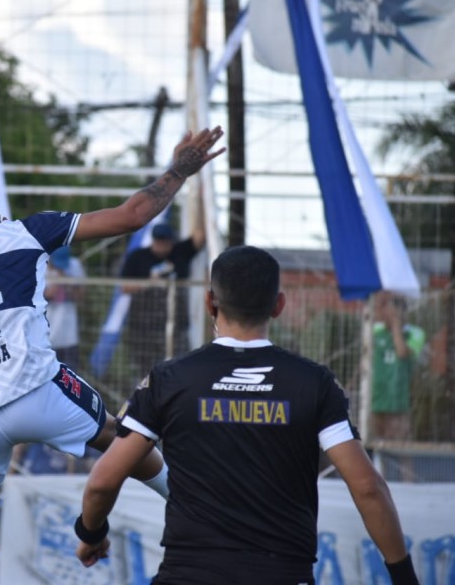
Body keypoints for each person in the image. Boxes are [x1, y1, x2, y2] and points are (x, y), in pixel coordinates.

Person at [0, 126, 225, 585]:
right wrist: (179, 170)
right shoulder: (22, 232)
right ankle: (202, 509)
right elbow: (133, 216)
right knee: (121, 439)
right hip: (35, 388)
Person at [74, 245, 419, 585]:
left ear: (210, 302)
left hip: (189, 574)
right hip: (283, 574)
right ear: (278, 305)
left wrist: (91, 533)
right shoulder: (314, 383)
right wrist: (404, 577)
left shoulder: (169, 380)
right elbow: (368, 488)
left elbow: (102, 482)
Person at [120, 208, 204, 374]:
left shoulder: (180, 252)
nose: (162, 245)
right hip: (143, 328)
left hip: (176, 325)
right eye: (159, 240)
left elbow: (200, 237)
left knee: (180, 369)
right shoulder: (137, 257)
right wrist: (149, 283)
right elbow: (124, 287)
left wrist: (201, 198)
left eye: (165, 241)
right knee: (145, 374)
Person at [371, 290, 425, 441]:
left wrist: (396, 325)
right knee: (373, 445)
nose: (386, 315)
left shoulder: (415, 334)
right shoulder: (376, 331)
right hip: (375, 399)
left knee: (400, 446)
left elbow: (402, 352)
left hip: (398, 401)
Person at [45, 246, 85, 367]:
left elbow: (80, 296)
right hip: (47, 337)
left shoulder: (74, 265)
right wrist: (54, 285)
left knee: (71, 375)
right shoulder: (40, 267)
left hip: (69, 337)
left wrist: (67, 282)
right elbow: (44, 295)